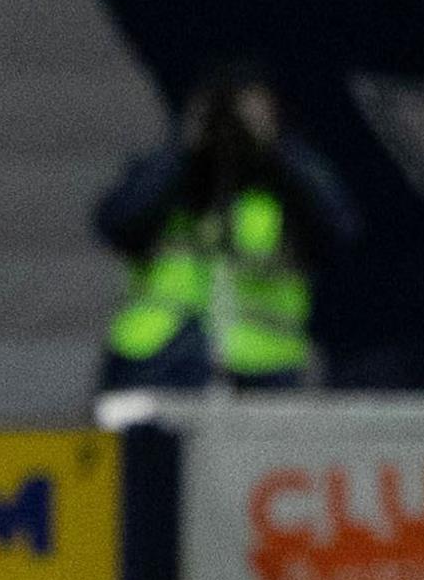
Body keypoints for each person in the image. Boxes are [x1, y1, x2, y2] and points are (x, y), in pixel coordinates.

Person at [96, 59, 357, 392]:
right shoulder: (170, 179)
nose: (230, 127)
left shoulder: (284, 189)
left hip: (264, 368)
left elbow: (339, 233)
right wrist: (185, 149)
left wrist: (276, 148)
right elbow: (114, 223)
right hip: (155, 357)